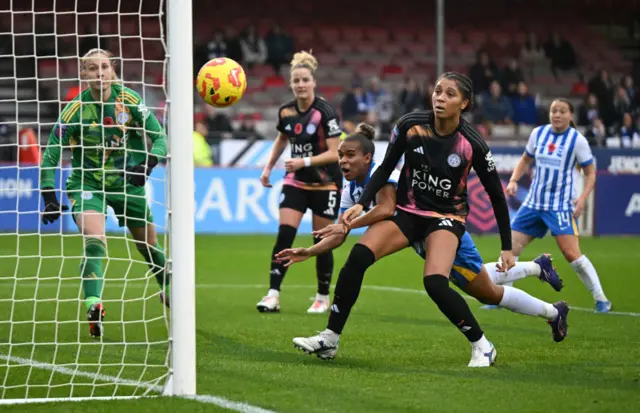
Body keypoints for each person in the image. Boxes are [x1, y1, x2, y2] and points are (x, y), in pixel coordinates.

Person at [279, 124, 569, 363]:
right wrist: (310, 251)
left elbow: (386, 208)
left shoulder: (385, 173)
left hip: (443, 232)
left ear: (367, 157)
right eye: (340, 155)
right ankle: (330, 338)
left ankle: (551, 311)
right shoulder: (352, 188)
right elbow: (340, 233)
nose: (342, 161)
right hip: (419, 232)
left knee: (488, 292)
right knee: (358, 258)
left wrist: (349, 222)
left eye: (349, 155)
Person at [284, 72, 515, 368]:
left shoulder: (472, 144)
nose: (440, 98)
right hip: (407, 213)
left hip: (446, 217)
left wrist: (507, 247)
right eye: (437, 91)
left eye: (449, 94)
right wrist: (362, 204)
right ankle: (330, 338)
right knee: (357, 257)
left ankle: (482, 345)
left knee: (434, 282)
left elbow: (496, 195)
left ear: (464, 103)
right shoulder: (410, 125)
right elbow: (385, 168)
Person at [39, 48, 170, 338]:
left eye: (104, 67)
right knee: (94, 240)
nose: (99, 73)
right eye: (91, 68)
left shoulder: (130, 100)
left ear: (113, 70)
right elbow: (50, 155)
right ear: (83, 75)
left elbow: (159, 135)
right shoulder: (74, 110)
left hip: (127, 183)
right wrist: (49, 196)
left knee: (148, 247)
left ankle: (168, 287)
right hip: (88, 183)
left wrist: (147, 164)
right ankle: (93, 304)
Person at [256, 50, 343, 314]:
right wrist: (269, 167)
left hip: (326, 184)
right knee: (285, 234)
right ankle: (273, 294)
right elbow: (282, 139)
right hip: (296, 182)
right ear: (291, 84)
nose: (301, 85)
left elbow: (334, 152)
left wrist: (303, 162)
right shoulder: (286, 112)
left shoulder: (325, 112)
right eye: (296, 81)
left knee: (321, 240)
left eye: (305, 80)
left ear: (313, 82)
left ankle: (322, 295)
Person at [507, 98, 611, 312]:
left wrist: (582, 198)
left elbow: (591, 173)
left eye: (562, 111)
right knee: (511, 247)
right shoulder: (538, 133)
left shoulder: (577, 140)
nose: (557, 115)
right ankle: (505, 296)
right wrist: (514, 180)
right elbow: (526, 159)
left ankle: (601, 299)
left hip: (560, 206)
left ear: (570, 115)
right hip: (533, 203)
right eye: (554, 111)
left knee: (572, 255)